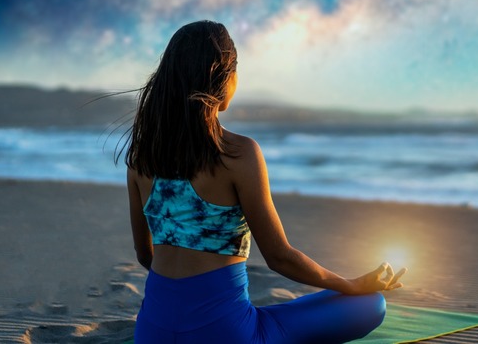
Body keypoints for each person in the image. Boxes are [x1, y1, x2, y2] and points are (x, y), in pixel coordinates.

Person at [124, 20, 406, 343]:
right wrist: (351, 284)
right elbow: (279, 257)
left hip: (150, 333)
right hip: (226, 335)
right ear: (223, 77)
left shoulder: (141, 159)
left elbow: (146, 256)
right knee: (372, 305)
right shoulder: (237, 154)